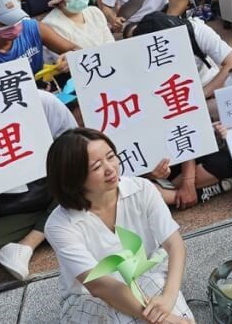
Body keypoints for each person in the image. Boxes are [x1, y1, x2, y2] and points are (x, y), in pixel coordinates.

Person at [44, 128, 195, 323]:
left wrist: (168, 299)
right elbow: (100, 286)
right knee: (124, 315)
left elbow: (175, 244)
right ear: (73, 176)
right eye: (96, 166)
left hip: (149, 275)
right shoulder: (59, 225)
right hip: (88, 298)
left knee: (155, 285)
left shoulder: (142, 189)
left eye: (111, 156)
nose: (110, 168)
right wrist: (164, 319)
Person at [0, 90, 76, 281]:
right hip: (2, 207)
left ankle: (28, 244)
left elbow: (77, 147)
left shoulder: (39, 101)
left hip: (52, 190)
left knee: (80, 175)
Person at [41, 0, 114, 55]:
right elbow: (62, 60)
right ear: (60, 1)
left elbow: (110, 42)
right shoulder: (51, 25)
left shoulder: (94, 12)